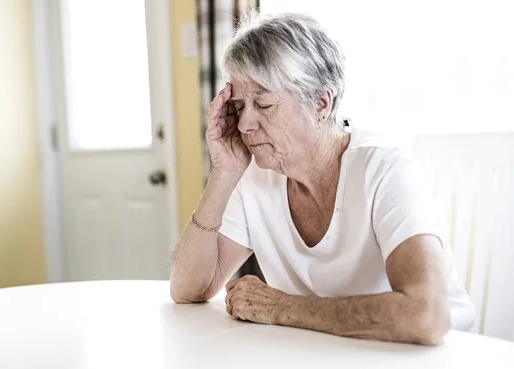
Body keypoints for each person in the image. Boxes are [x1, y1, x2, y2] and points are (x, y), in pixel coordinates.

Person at [169, 12, 474, 345]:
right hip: (333, 360)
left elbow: (425, 316)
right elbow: (187, 290)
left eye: (264, 104)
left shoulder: (385, 169)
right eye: (241, 106)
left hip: (431, 364)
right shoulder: (257, 176)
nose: (244, 125)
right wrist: (223, 173)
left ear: (321, 104)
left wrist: (282, 308)